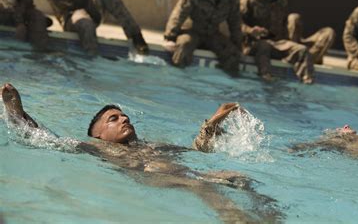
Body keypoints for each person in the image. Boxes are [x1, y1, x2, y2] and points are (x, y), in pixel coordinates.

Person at [2, 83, 283, 222]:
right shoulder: (96, 148)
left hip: (187, 171)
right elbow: (44, 139)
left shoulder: (153, 145)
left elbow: (198, 151)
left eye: (124, 116)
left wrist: (213, 121)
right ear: (98, 133)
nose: (123, 119)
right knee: (199, 186)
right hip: (156, 177)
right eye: (113, 119)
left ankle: (271, 218)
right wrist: (17, 111)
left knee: (240, 177)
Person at [240, 0, 334, 83]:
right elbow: (236, 22)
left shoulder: (281, 2)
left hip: (277, 43)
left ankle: (307, 82)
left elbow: (284, 25)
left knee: (302, 50)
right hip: (254, 44)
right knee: (264, 45)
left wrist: (290, 42)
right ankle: (266, 79)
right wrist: (250, 30)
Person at [164, 0, 242, 76]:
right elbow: (178, 14)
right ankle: (178, 77)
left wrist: (238, 46)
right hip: (191, 31)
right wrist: (170, 38)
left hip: (212, 34)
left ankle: (224, 85)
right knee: (184, 45)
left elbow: (235, 23)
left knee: (232, 53)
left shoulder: (232, 0)